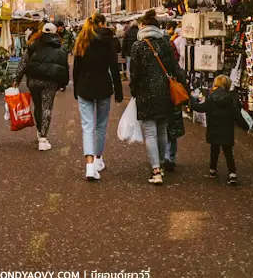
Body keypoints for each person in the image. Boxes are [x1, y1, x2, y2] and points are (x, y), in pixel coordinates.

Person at [129, 9, 187, 185]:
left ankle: (156, 169)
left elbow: (135, 74)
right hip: (164, 93)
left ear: (143, 26)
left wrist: (134, 91)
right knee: (162, 131)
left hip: (145, 94)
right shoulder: (165, 44)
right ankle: (161, 163)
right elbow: (174, 68)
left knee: (150, 133)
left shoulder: (138, 46)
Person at [72, 13, 124, 181]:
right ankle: (98, 160)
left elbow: (76, 68)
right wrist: (119, 91)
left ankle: (89, 165)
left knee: (87, 127)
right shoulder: (108, 41)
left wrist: (75, 88)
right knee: (100, 126)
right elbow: (114, 68)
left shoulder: (82, 39)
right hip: (103, 86)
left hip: (84, 86)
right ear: (102, 24)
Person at [14, 22, 69, 151]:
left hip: (34, 80)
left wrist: (17, 79)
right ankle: (43, 138)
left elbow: (23, 63)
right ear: (56, 33)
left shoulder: (33, 45)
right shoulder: (61, 48)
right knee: (47, 107)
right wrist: (62, 84)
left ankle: (39, 130)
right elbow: (64, 68)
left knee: (38, 106)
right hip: (50, 82)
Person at [189, 75, 239, 185]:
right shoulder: (231, 98)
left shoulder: (211, 98)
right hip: (227, 130)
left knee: (214, 150)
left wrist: (192, 99)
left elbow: (200, 108)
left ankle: (213, 169)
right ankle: (232, 173)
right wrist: (246, 125)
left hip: (214, 129)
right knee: (228, 152)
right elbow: (237, 115)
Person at [161, 21, 187, 172]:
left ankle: (164, 157)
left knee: (162, 127)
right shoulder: (173, 56)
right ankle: (171, 157)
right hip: (174, 94)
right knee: (173, 127)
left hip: (160, 94)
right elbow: (179, 73)